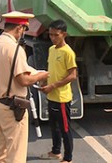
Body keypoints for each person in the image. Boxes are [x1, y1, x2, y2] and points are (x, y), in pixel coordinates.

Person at [0, 11, 49, 163]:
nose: (23, 33)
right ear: (19, 28)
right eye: (24, 29)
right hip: (12, 107)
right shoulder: (14, 49)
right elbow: (23, 80)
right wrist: (42, 75)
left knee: (1, 148)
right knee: (16, 153)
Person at [40, 19, 77, 163]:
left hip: (62, 98)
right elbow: (51, 70)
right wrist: (44, 81)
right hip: (51, 96)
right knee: (53, 127)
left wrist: (53, 86)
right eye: (50, 35)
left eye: (56, 35)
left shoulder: (68, 52)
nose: (53, 38)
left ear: (64, 34)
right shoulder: (51, 49)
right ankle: (56, 151)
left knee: (65, 129)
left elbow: (73, 75)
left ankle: (68, 159)